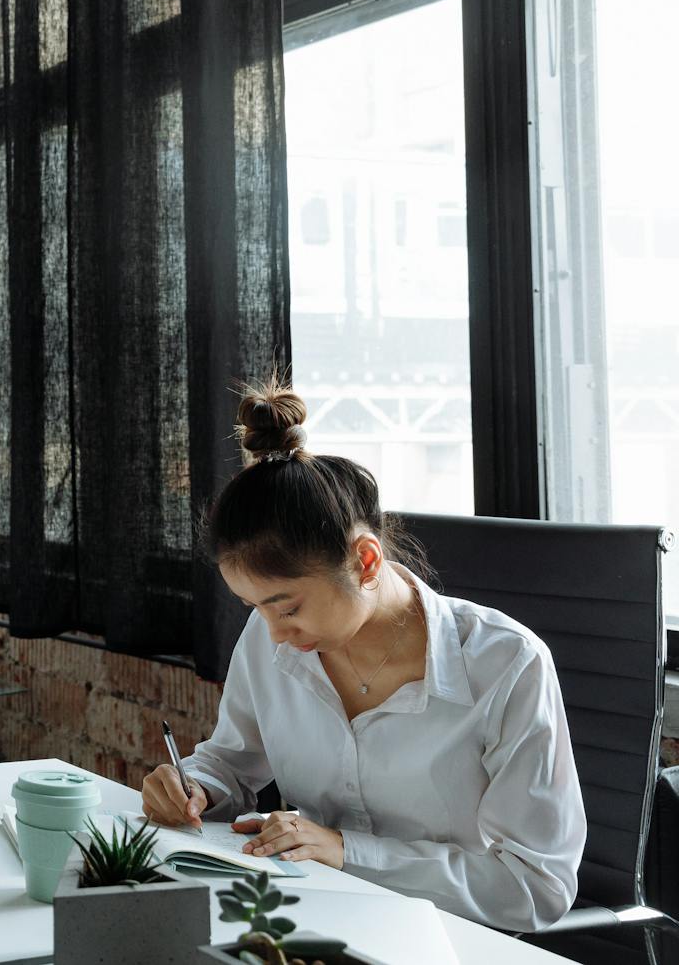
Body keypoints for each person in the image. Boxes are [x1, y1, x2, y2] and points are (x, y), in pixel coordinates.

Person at [141, 379, 585, 932]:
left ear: (366, 561)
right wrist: (196, 785)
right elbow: (234, 760)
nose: (275, 633)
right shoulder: (269, 636)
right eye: (256, 607)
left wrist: (348, 852)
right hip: (307, 922)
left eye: (287, 607)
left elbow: (535, 887)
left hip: (446, 942)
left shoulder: (506, 666)